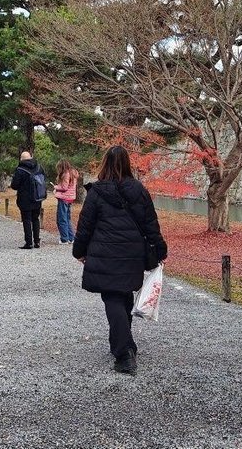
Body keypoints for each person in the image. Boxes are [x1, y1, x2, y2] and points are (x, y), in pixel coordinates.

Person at [72, 146, 167, 375]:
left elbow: (85, 226)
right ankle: (125, 344)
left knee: (113, 298)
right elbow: (150, 224)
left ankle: (124, 352)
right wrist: (160, 249)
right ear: (127, 163)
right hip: (131, 254)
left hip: (104, 253)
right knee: (122, 295)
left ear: (105, 163)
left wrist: (79, 251)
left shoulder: (96, 192)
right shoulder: (138, 190)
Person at [9, 151, 46, 249]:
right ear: (31, 157)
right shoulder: (39, 167)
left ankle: (29, 243)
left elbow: (14, 186)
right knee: (35, 219)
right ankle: (37, 241)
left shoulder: (20, 170)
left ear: (21, 159)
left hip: (24, 199)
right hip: (37, 197)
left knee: (26, 220)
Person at [53, 160, 79, 244]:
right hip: (70, 198)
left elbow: (64, 187)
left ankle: (64, 238)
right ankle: (71, 238)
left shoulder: (66, 174)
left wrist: (56, 187)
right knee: (67, 219)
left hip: (64, 199)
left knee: (61, 219)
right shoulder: (73, 173)